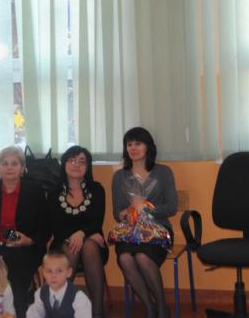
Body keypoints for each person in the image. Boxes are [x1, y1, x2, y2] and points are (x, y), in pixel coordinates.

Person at [0, 146, 50, 318]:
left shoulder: (34, 190)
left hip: (26, 248)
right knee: (4, 259)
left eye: (14, 163)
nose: (9, 168)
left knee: (15, 260)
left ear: (22, 167)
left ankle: (16, 311)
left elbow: (45, 227)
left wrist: (28, 240)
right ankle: (17, 308)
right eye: (5, 163)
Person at [112, 127, 177, 318]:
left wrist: (146, 208)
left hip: (158, 230)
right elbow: (116, 212)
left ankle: (162, 307)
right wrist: (126, 212)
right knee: (125, 258)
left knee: (142, 257)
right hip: (130, 231)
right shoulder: (119, 176)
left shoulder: (163, 172)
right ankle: (149, 307)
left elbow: (172, 207)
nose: (133, 148)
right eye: (129, 144)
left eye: (138, 143)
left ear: (148, 146)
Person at [48, 146, 108, 318]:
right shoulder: (54, 193)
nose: (76, 165)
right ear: (64, 164)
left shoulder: (97, 189)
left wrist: (82, 234)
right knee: (73, 247)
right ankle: (60, 310)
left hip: (94, 246)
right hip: (62, 243)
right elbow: (56, 228)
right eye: (72, 160)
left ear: (88, 167)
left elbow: (97, 222)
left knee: (88, 246)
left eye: (82, 162)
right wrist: (79, 235)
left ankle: (97, 312)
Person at [26, 249, 91, 318]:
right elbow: (34, 314)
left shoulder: (78, 297)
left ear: (68, 272)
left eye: (59, 271)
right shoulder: (40, 293)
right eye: (49, 271)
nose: (53, 275)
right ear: (43, 272)